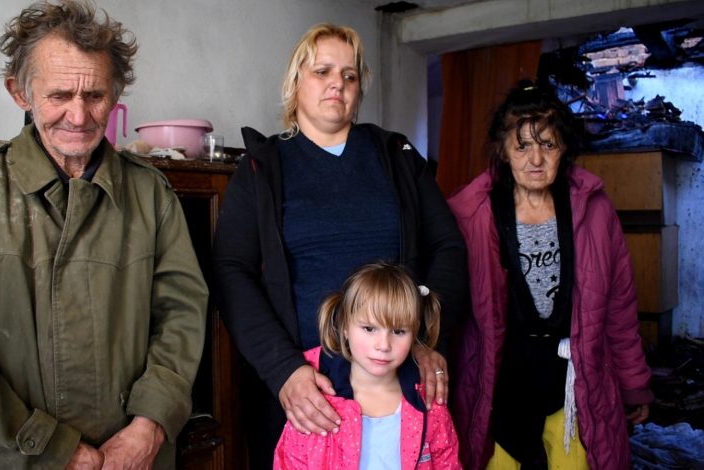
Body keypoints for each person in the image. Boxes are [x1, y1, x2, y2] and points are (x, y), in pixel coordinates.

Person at [0, 1, 208, 468]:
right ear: (20, 92)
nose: (78, 116)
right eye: (59, 95)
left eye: (94, 95)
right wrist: (49, 451)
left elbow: (182, 316)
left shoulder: (150, 193)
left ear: (114, 96)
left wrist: (149, 426)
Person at [212, 23, 468, 468]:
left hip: (397, 381)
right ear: (295, 82)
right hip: (309, 389)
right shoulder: (262, 168)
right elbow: (230, 271)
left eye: (350, 75)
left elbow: (449, 247)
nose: (338, 84)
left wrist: (427, 338)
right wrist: (283, 369)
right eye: (323, 71)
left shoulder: (396, 157)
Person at [447, 79, 653, 469]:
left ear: (564, 149)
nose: (536, 159)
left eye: (548, 144)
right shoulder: (471, 214)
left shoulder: (594, 210)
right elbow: (449, 312)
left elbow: (619, 307)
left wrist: (634, 384)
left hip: (573, 384)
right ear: (503, 151)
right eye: (522, 146)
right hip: (500, 383)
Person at [273, 262, 462, 469]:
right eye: (369, 329)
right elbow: (290, 462)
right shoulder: (315, 402)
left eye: (398, 331)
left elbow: (447, 462)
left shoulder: (428, 402)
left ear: (415, 332)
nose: (384, 345)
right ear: (344, 326)